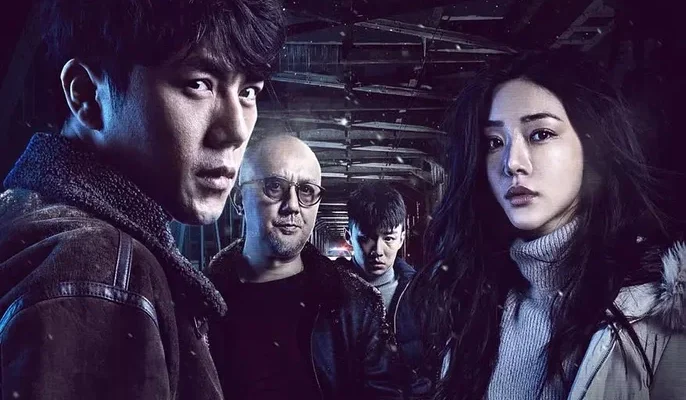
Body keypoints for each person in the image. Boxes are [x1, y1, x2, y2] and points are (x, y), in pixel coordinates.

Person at [0, 0, 285, 398]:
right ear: (87, 95)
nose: (236, 130)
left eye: (248, 92)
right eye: (198, 84)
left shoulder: (30, 217)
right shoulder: (95, 269)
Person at [411, 50, 686, 400]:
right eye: (494, 142)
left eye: (540, 134)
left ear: (592, 145)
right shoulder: (471, 303)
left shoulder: (662, 312)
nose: (512, 163)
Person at [203, 135, 402, 400]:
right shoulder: (198, 302)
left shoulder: (357, 305)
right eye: (274, 186)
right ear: (239, 199)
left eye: (306, 190)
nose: (293, 206)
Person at [341, 182, 430, 398]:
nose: (378, 251)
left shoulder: (421, 293)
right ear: (349, 236)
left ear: (401, 238)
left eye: (388, 238)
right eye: (366, 238)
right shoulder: (328, 293)